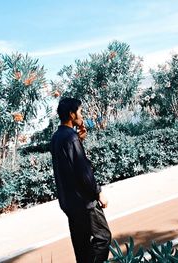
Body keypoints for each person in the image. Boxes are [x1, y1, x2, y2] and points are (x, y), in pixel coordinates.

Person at [50, 98, 112, 263]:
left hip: (69, 203)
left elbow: (66, 165)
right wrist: (98, 193)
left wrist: (79, 140)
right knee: (103, 237)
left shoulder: (57, 137)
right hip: (85, 202)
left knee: (81, 245)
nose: (82, 116)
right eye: (80, 112)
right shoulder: (71, 138)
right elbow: (83, 171)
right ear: (72, 115)